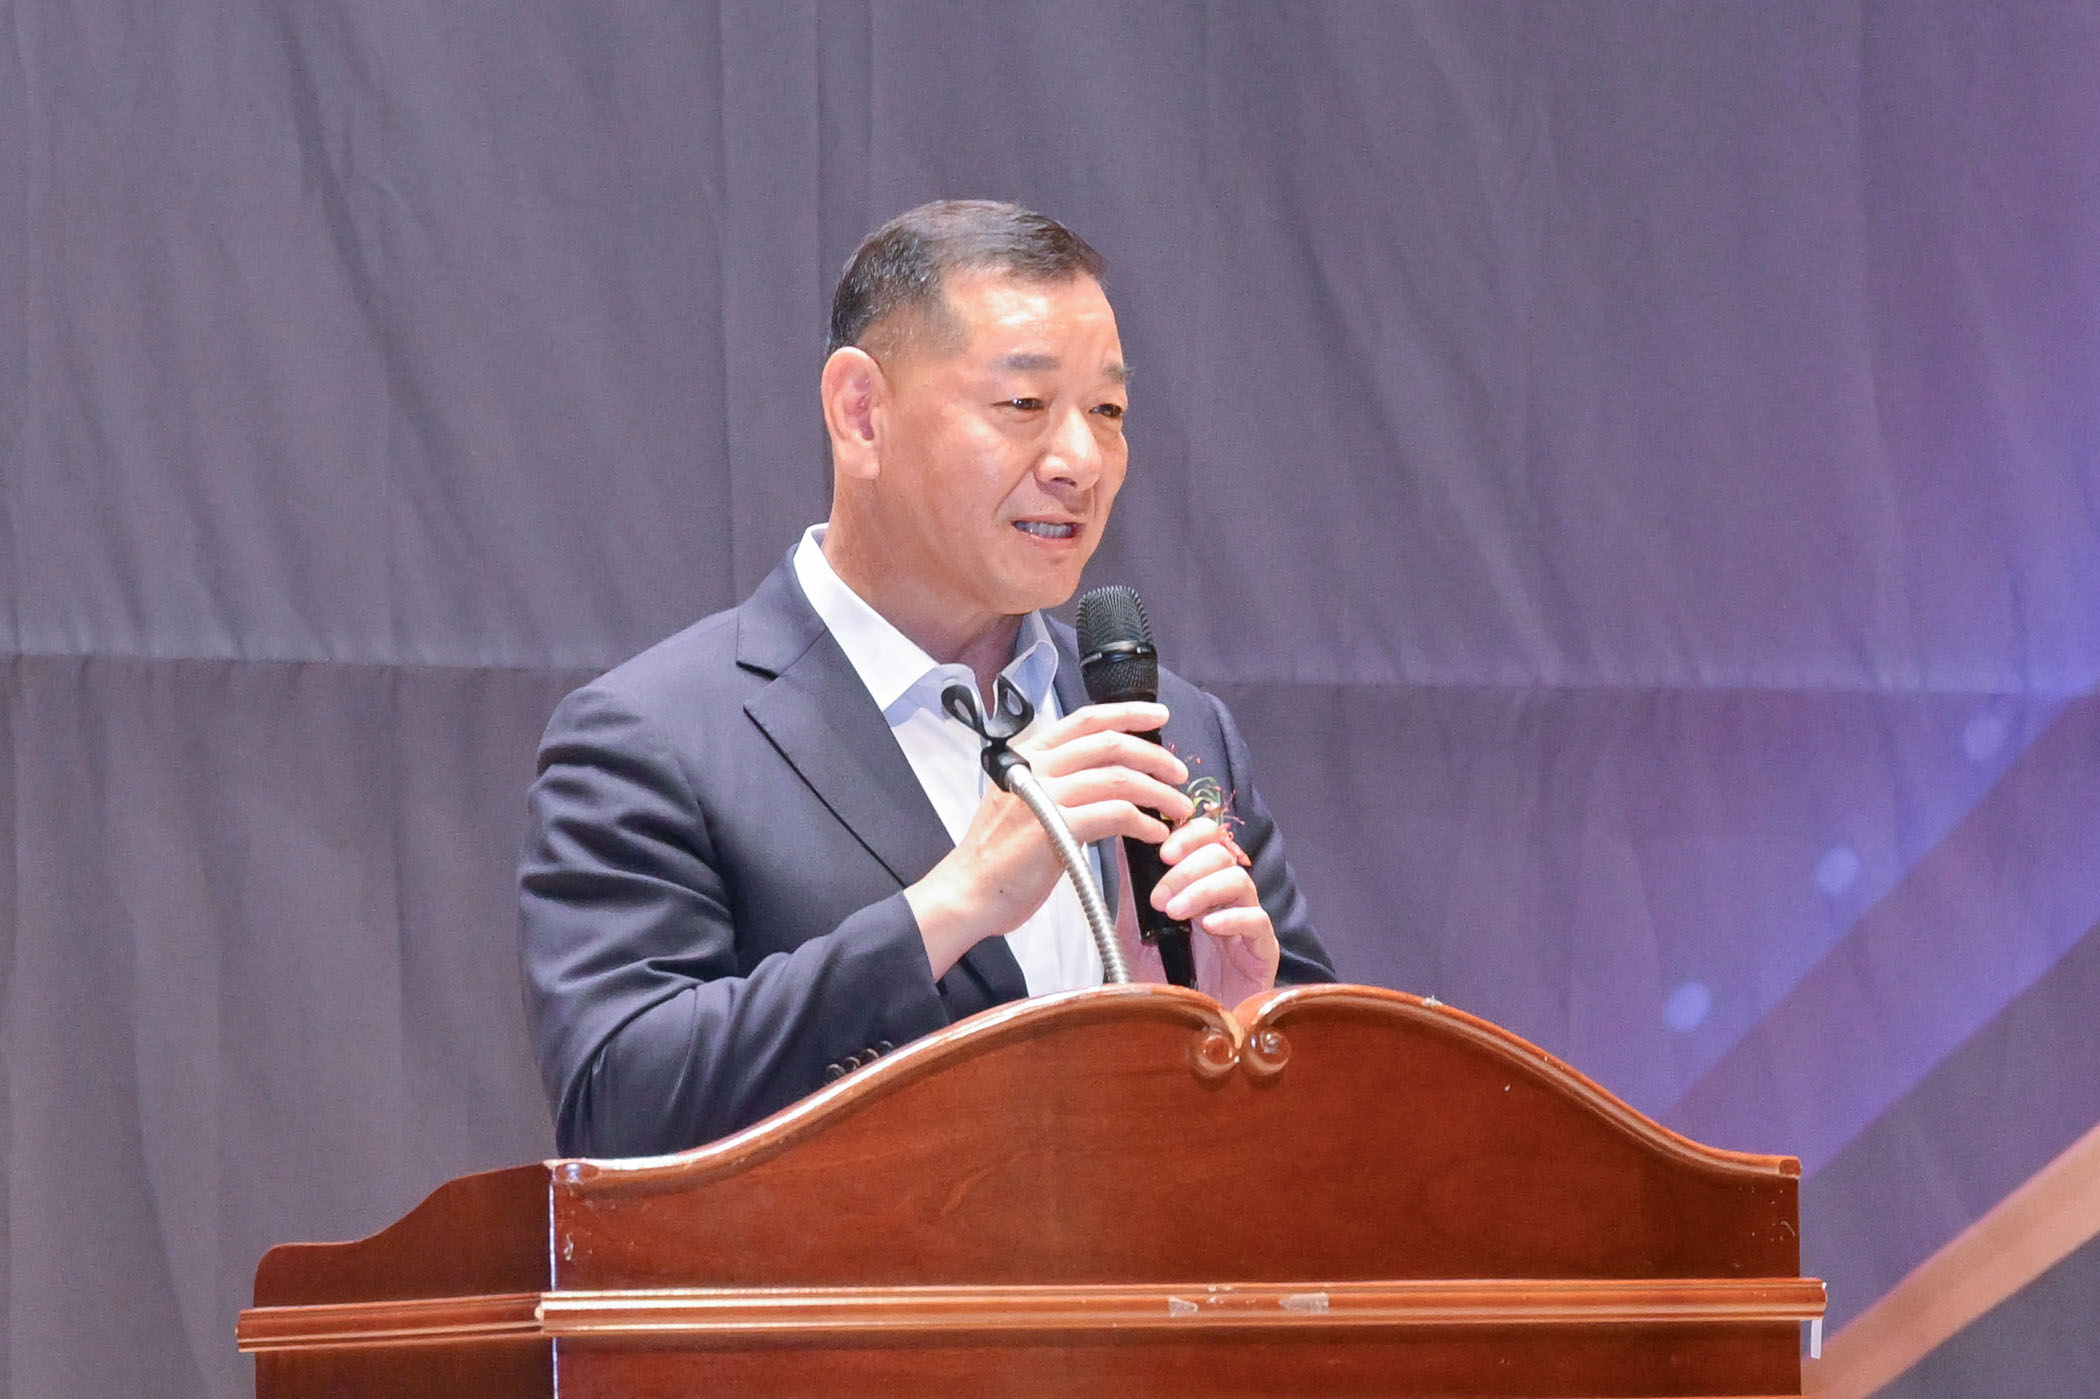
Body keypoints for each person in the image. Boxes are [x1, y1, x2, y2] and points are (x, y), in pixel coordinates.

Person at [520, 200, 1334, 1157]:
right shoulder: (655, 739)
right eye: (1024, 405)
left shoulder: (1174, 727)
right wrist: (949, 908)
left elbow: (1331, 1138)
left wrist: (1240, 1030)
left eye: (1108, 412)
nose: (1081, 461)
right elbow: (620, 1106)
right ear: (861, 413)